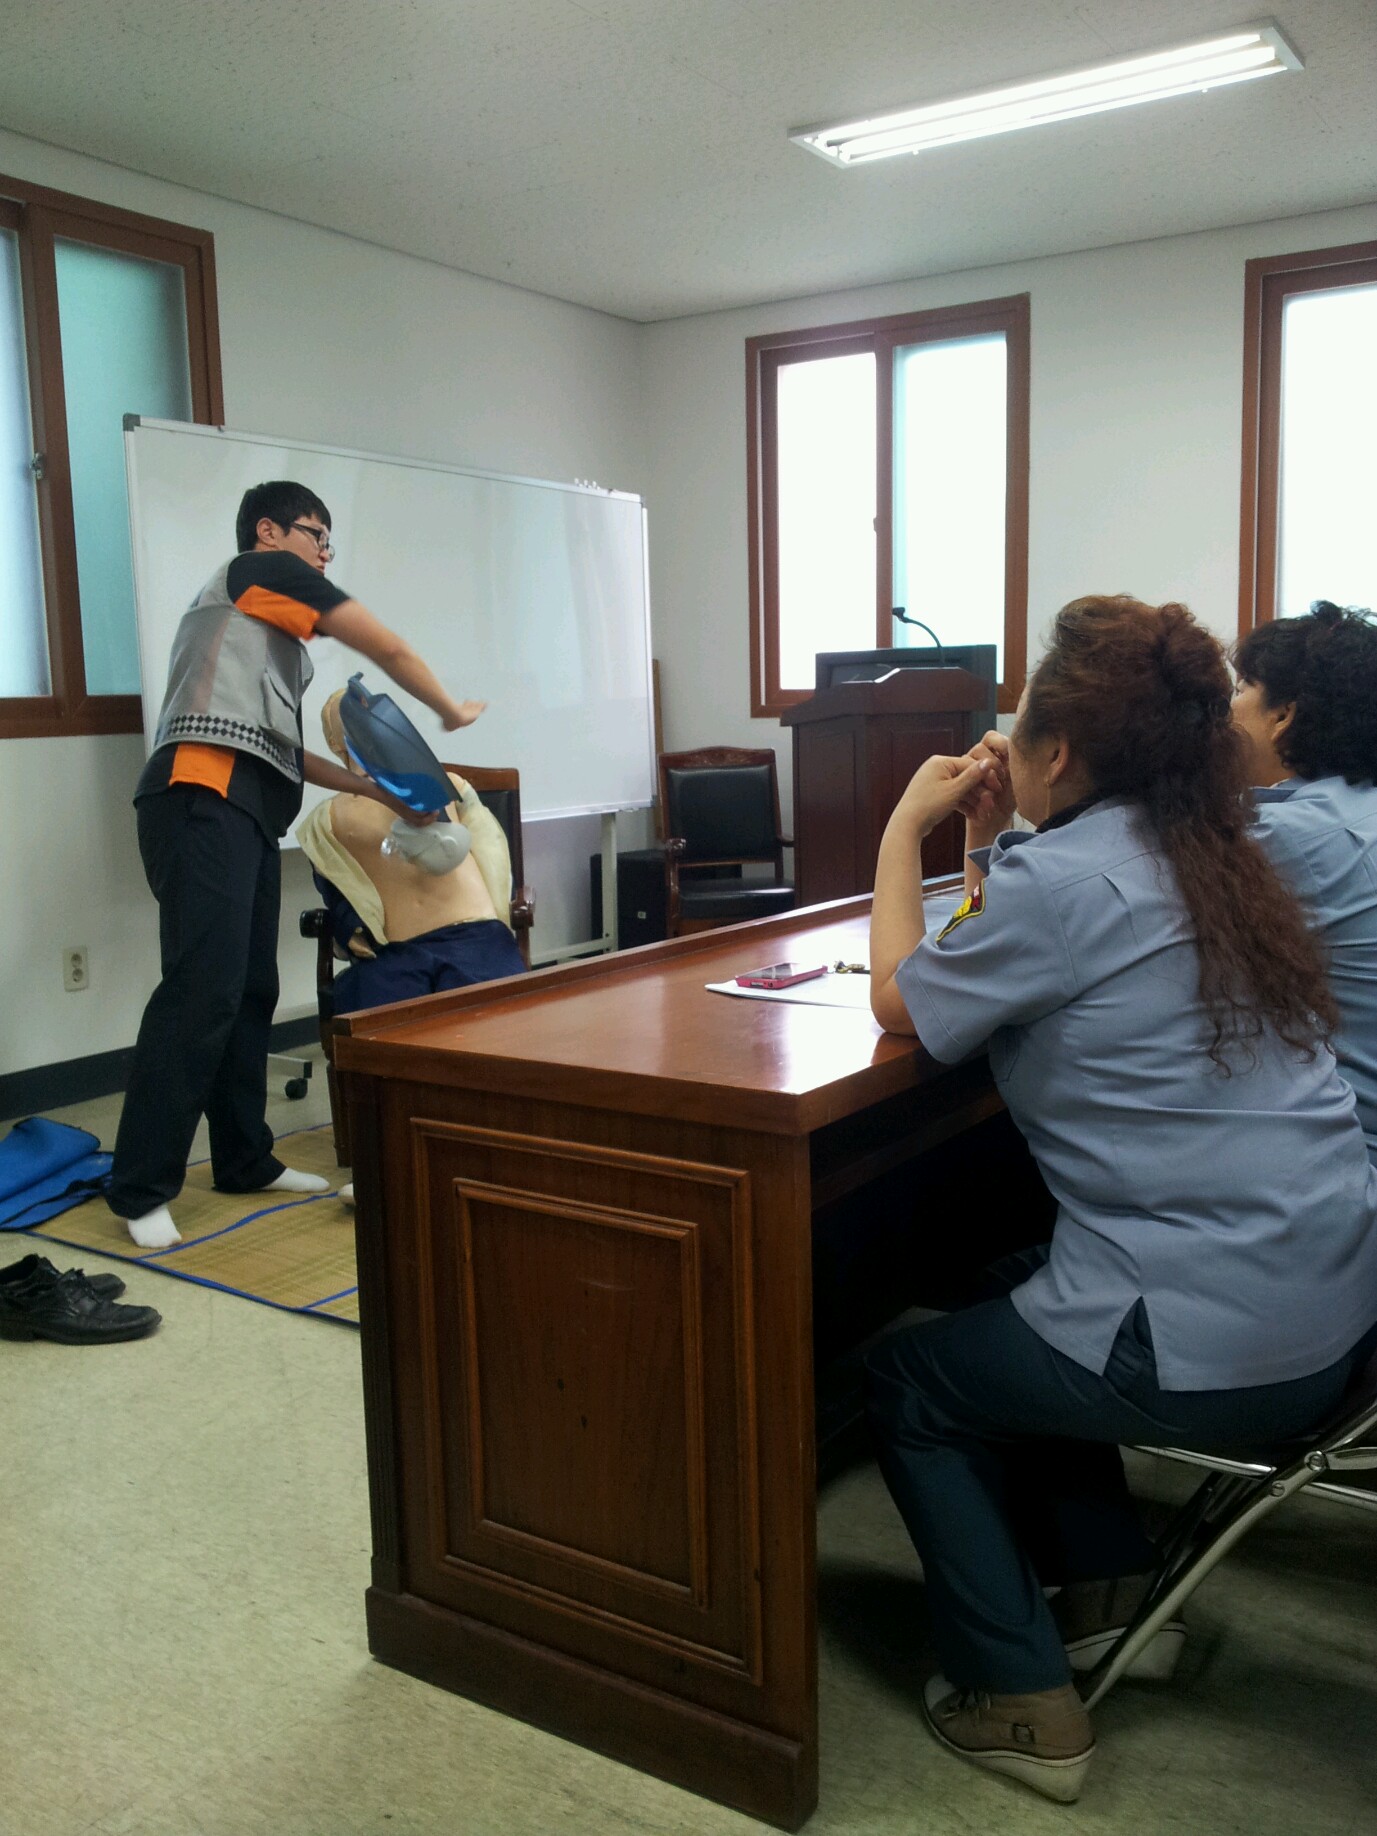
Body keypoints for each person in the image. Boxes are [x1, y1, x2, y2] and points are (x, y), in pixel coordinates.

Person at [863, 594, 1377, 1802]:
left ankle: (1022, 1701)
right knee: (1015, 1287)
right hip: (1336, 1311)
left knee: (907, 1382)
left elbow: (901, 998)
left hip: (1222, 1342)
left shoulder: (1068, 880)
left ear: (1054, 754)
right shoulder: (1221, 851)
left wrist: (902, 831)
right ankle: (1108, 1591)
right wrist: (992, 847)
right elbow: (1019, 933)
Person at [107, 481, 485, 1252]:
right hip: (197, 796)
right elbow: (385, 646)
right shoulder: (258, 572)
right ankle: (140, 1187)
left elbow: (282, 751)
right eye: (317, 534)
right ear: (269, 531)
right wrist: (449, 708)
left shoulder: (268, 634)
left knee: (249, 988)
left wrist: (373, 788)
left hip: (242, 808)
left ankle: (244, 1159)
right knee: (200, 989)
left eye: (328, 542)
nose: (324, 553)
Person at [1232, 600, 1377, 1163]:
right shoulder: (1355, 809)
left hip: (1350, 1155)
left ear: (1283, 716)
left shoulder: (1287, 836)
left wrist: (984, 829)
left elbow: (982, 918)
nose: (1226, 711)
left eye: (1241, 688)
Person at [297, 689, 528, 1016]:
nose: (363, 719)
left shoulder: (449, 786)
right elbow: (334, 886)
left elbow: (491, 849)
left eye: (369, 711)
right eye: (348, 715)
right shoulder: (324, 822)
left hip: (475, 938)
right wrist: (351, 930)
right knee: (385, 1029)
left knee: (493, 1024)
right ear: (334, 742)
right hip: (394, 954)